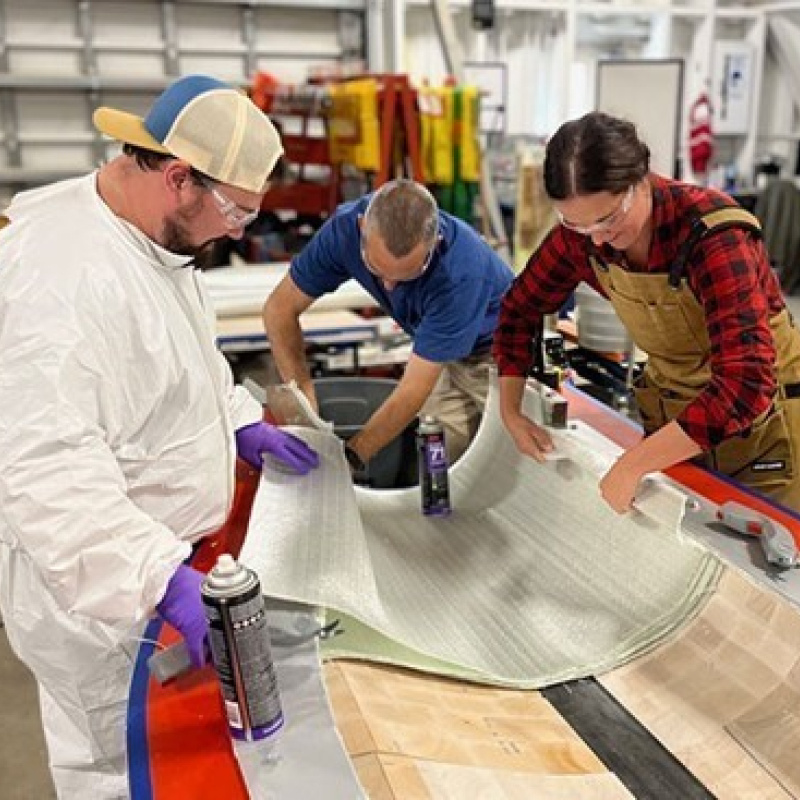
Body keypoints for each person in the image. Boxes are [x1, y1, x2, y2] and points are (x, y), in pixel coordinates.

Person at [0, 74, 319, 798]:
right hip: (96, 600)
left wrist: (238, 424)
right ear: (179, 178)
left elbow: (183, 361)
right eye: (236, 210)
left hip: (154, 563)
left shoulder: (151, 243)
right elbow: (46, 470)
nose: (240, 230)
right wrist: (157, 578)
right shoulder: (60, 281)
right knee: (118, 766)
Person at [493, 111, 800, 514]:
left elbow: (746, 382)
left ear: (641, 180)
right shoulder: (581, 237)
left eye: (609, 219)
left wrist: (635, 462)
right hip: (677, 425)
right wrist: (510, 412)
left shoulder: (714, 235)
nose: (598, 239)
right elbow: (519, 309)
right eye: (577, 225)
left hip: (763, 430)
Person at [263, 179, 514, 470]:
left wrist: (350, 458)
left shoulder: (459, 272)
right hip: (447, 354)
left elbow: (412, 391)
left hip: (502, 353)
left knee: (511, 458)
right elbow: (279, 309)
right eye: (376, 270)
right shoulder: (343, 230)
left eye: (408, 275)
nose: (390, 285)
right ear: (361, 229)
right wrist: (302, 400)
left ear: (436, 242)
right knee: (440, 458)